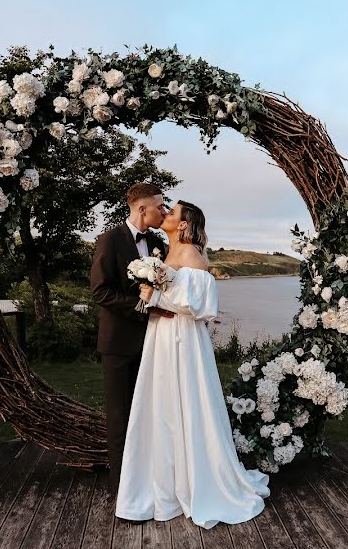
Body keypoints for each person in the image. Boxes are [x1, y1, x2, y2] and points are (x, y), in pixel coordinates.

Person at [114, 200, 270, 529]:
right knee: (161, 403)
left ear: (184, 225)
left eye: (173, 212)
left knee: (185, 399)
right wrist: (152, 292)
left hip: (182, 339)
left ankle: (194, 480)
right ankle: (164, 481)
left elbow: (200, 304)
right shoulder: (166, 251)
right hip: (162, 336)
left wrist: (154, 296)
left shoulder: (192, 255)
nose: (167, 214)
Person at [90, 182, 172, 493]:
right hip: (119, 346)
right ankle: (122, 487)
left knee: (150, 414)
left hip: (154, 343)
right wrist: (144, 307)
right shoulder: (109, 240)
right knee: (120, 417)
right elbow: (100, 291)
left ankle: (150, 480)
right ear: (142, 209)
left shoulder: (157, 243)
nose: (162, 211)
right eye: (159, 206)